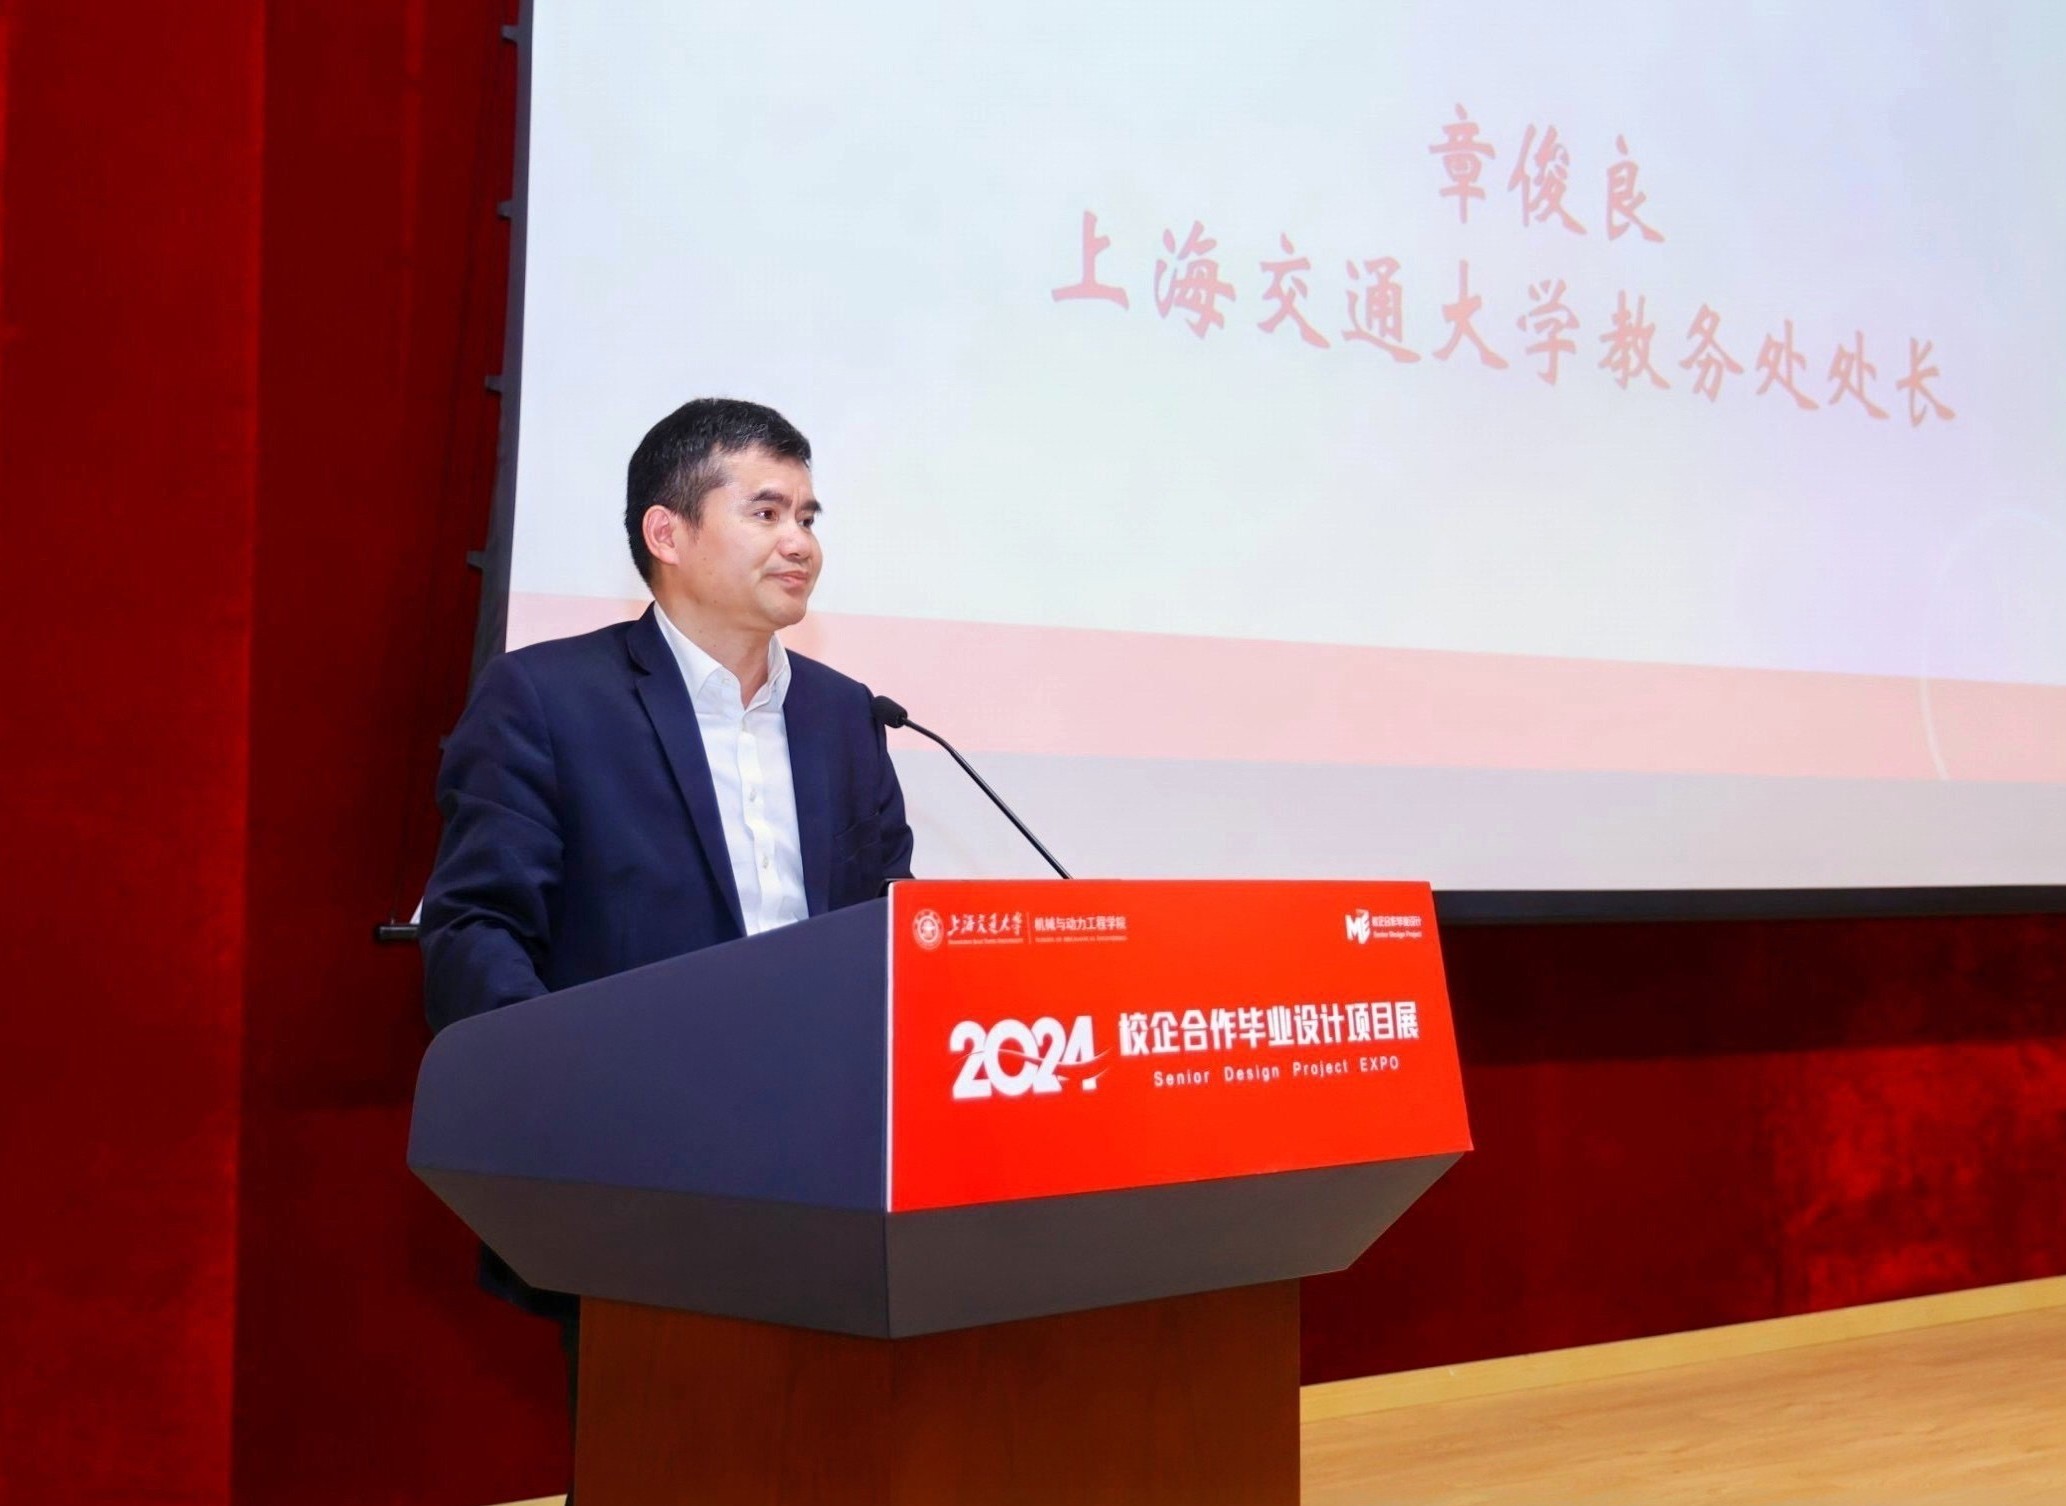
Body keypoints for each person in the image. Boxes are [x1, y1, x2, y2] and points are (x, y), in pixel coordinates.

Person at [419, 396, 915, 1459]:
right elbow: (476, 926)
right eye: (767, 511)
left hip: (833, 1174)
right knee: (668, 1455)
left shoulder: (846, 715)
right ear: (667, 532)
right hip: (639, 1176)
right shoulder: (546, 697)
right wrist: (563, 1114)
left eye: (810, 516)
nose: (800, 541)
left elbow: (889, 928)